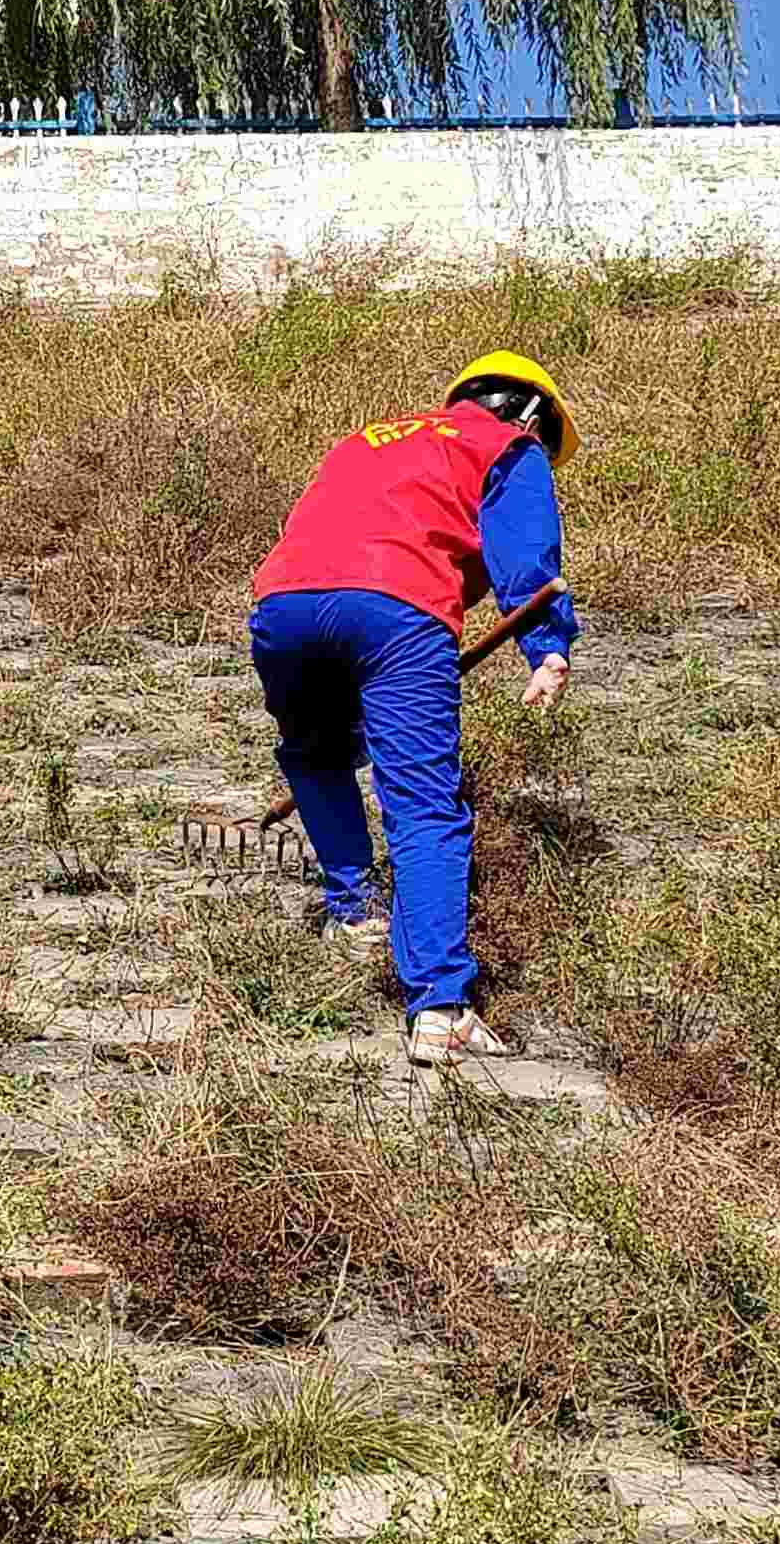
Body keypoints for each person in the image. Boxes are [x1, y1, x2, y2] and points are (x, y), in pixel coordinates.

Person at [244, 351, 579, 1067]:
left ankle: (356, 912)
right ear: (529, 414)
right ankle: (441, 1010)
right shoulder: (509, 446)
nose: (545, 455)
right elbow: (527, 556)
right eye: (548, 442)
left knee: (316, 756)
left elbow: (324, 532)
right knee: (424, 805)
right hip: (397, 610)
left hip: (281, 607)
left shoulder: (371, 437)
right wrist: (548, 649)